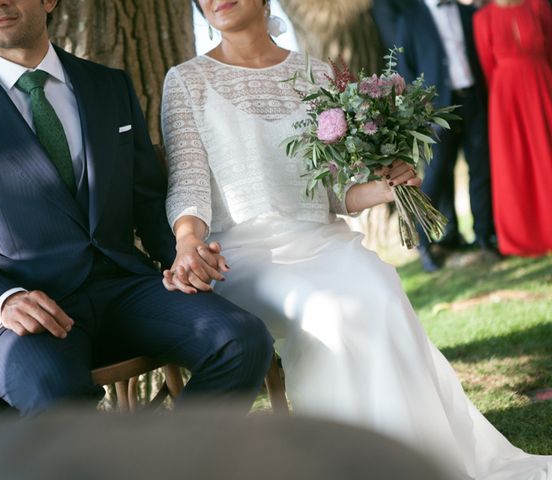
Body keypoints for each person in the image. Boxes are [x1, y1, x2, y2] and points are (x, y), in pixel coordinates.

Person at [160, 0, 551, 477]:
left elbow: (335, 192)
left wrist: (387, 186)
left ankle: (420, 458)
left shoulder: (317, 74)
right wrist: (186, 242)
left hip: (323, 239)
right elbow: (188, 187)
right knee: (329, 309)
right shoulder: (185, 80)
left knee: (378, 287)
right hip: (244, 254)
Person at [0, 0, 274, 427]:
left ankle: (171, 462)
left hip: (125, 287)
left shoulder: (109, 86)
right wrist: (1, 301)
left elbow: (147, 199)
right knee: (55, 397)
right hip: (31, 310)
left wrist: (181, 253)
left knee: (243, 340)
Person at [396, 0, 497, 272]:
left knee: (481, 171)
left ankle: (485, 237)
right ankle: (424, 244)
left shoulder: (467, 13)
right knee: (437, 175)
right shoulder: (410, 18)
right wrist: (420, 110)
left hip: (473, 99)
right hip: (436, 110)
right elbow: (404, 69)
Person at [473, 0, 552, 256]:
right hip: (506, 98)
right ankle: (524, 234)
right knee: (515, 163)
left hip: (543, 86)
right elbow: (487, 65)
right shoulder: (482, 18)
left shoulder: (538, 6)